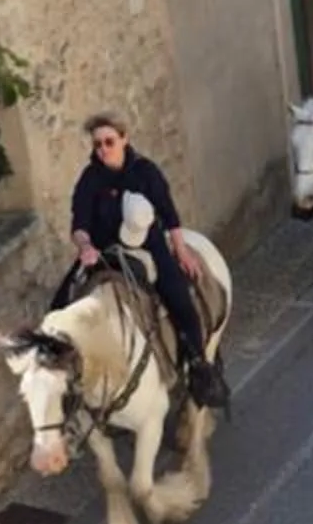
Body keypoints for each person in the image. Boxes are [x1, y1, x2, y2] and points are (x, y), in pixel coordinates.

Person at [65, 114, 222, 406]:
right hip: (105, 255)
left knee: (180, 300)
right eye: (98, 144)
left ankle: (199, 365)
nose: (103, 149)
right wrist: (85, 246)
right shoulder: (90, 179)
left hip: (148, 249)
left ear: (124, 139)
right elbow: (79, 224)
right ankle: (68, 384)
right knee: (61, 303)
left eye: (109, 142)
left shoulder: (145, 172)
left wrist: (181, 250)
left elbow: (169, 214)